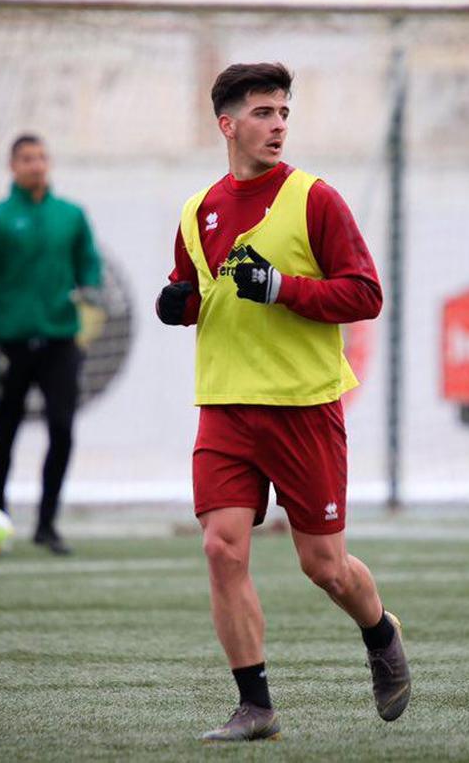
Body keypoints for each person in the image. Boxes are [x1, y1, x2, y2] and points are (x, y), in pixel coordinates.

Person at [156, 62, 411, 741]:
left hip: (303, 407)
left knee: (323, 566)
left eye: (283, 112)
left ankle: (381, 629)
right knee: (221, 548)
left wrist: (284, 288)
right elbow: (194, 289)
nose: (277, 125)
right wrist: (175, 303)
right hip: (226, 407)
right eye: (264, 112)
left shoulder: (315, 198)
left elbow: (365, 294)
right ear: (227, 124)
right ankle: (256, 705)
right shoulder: (195, 210)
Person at [0, 133, 103, 556]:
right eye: (26, 158)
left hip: (59, 340)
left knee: (62, 429)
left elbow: (88, 261)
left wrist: (90, 287)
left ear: (48, 163)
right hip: (9, 343)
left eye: (40, 157)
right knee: (4, 430)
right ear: (12, 166)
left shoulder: (70, 216)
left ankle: (47, 524)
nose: (35, 165)